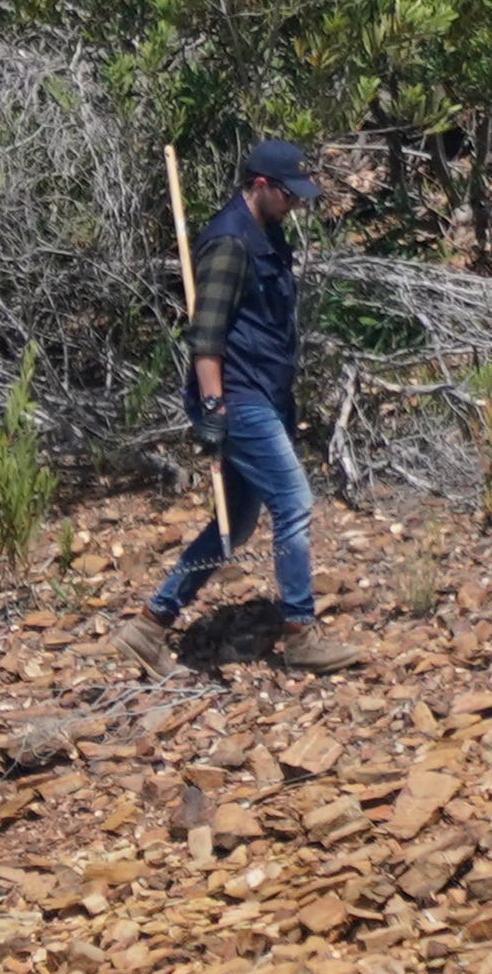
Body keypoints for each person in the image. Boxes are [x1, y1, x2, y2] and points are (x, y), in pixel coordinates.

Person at [111, 140, 365, 677]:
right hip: (237, 396)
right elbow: (206, 338)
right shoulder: (229, 243)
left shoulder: (266, 233)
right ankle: (299, 633)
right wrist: (212, 409)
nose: (295, 205)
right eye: (287, 194)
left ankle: (150, 625)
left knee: (238, 523)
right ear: (260, 186)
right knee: (294, 503)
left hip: (265, 392)